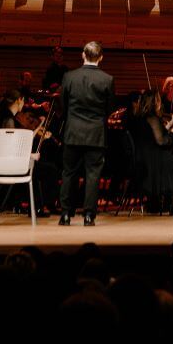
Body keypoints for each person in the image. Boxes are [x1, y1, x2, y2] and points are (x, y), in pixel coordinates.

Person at [58, 42, 114, 226]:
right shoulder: (107, 79)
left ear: (83, 55)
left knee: (69, 173)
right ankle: (89, 215)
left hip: (73, 131)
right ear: (101, 57)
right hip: (96, 133)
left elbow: (63, 106)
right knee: (93, 175)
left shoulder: (69, 77)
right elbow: (109, 109)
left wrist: (73, 119)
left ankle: (65, 214)